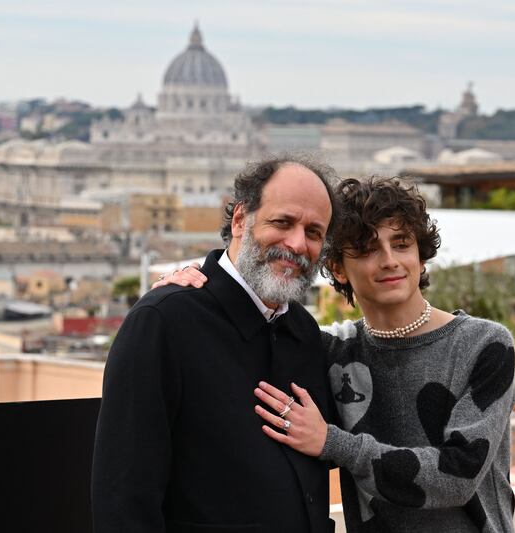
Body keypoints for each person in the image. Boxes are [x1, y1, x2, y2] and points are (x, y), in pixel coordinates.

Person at [162, 177, 515, 532]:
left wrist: (332, 443)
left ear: (421, 258)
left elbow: (456, 477)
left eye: (402, 243)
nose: (390, 260)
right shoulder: (330, 350)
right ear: (337, 269)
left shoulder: (485, 344)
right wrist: (186, 296)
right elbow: (236, 349)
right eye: (367, 249)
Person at [92, 155, 339, 533]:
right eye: (283, 222)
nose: (297, 243)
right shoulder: (163, 321)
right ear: (240, 219)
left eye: (314, 232)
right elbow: (124, 498)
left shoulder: (304, 331)